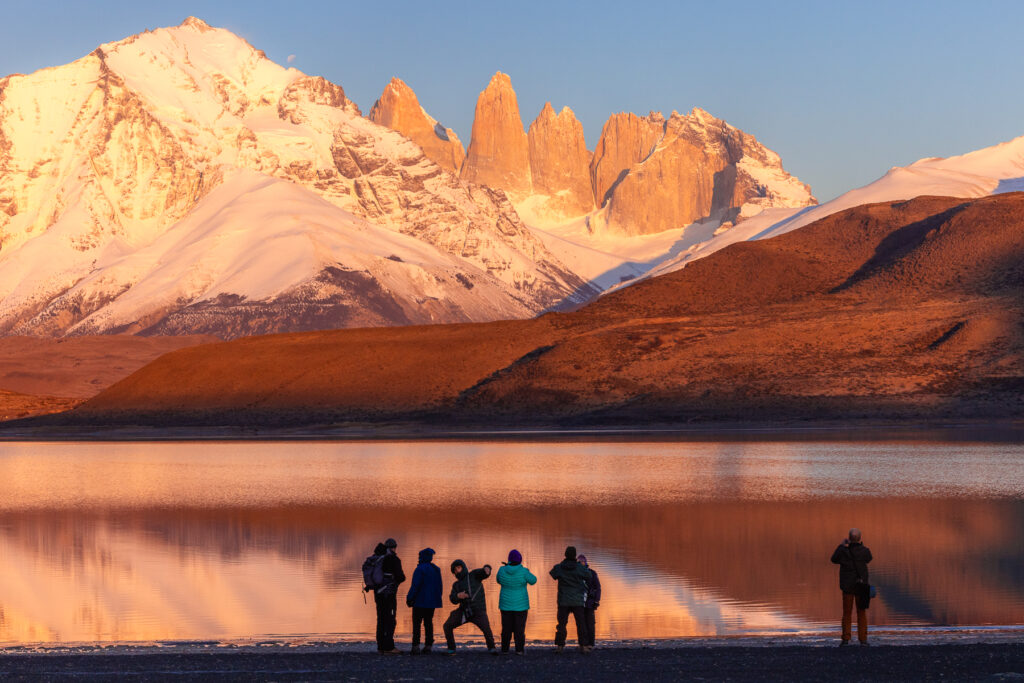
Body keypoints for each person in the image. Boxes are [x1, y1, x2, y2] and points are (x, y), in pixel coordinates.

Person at [442, 560, 497, 654]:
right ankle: (451, 649)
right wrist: (458, 596)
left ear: (463, 567)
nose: (457, 571)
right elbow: (452, 599)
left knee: (486, 629)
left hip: (478, 610)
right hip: (464, 611)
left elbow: (484, 573)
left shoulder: (474, 575)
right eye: (455, 570)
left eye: (458, 568)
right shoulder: (456, 585)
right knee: (447, 625)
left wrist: (487, 568)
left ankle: (492, 648)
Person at [830, 528, 873, 646]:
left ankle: (845, 639)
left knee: (847, 613)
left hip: (847, 587)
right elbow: (869, 558)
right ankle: (863, 640)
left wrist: (841, 545)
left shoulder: (843, 551)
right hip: (861, 586)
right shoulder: (865, 551)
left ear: (849, 538)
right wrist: (861, 546)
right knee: (861, 613)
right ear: (860, 538)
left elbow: (833, 559)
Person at [549, 545, 592, 653]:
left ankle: (560, 646)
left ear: (565, 554)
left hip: (563, 601)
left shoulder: (559, 567)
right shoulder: (580, 568)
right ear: (574, 555)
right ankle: (584, 646)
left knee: (562, 624)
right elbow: (589, 575)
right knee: (581, 624)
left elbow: (552, 574)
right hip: (577, 600)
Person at [496, 549, 537, 654]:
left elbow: (498, 580)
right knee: (519, 629)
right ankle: (519, 650)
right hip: (521, 606)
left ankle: (505, 649)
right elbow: (533, 580)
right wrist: (526, 571)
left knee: (506, 628)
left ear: (509, 559)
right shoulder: (523, 571)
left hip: (505, 605)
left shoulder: (502, 570)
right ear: (520, 560)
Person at [406, 547, 443, 655]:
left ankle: (415, 646)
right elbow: (439, 586)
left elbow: (415, 586)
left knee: (417, 624)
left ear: (422, 557)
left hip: (419, 602)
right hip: (432, 602)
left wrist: (409, 598)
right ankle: (428, 646)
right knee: (428, 623)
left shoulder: (420, 569)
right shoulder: (436, 569)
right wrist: (438, 598)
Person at [375, 538, 406, 654]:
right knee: (391, 620)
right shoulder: (394, 559)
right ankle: (389, 647)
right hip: (389, 595)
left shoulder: (378, 558)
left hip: (378, 595)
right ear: (393, 547)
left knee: (381, 619)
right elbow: (401, 577)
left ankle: (381, 647)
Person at [578, 554, 601, 649]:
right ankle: (586, 644)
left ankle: (588, 643)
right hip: (583, 602)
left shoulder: (590, 573)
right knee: (585, 623)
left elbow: (598, 588)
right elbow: (598, 588)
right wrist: (596, 600)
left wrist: (596, 600)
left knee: (586, 624)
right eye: (581, 562)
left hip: (586, 602)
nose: (582, 563)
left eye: (583, 562)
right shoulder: (590, 573)